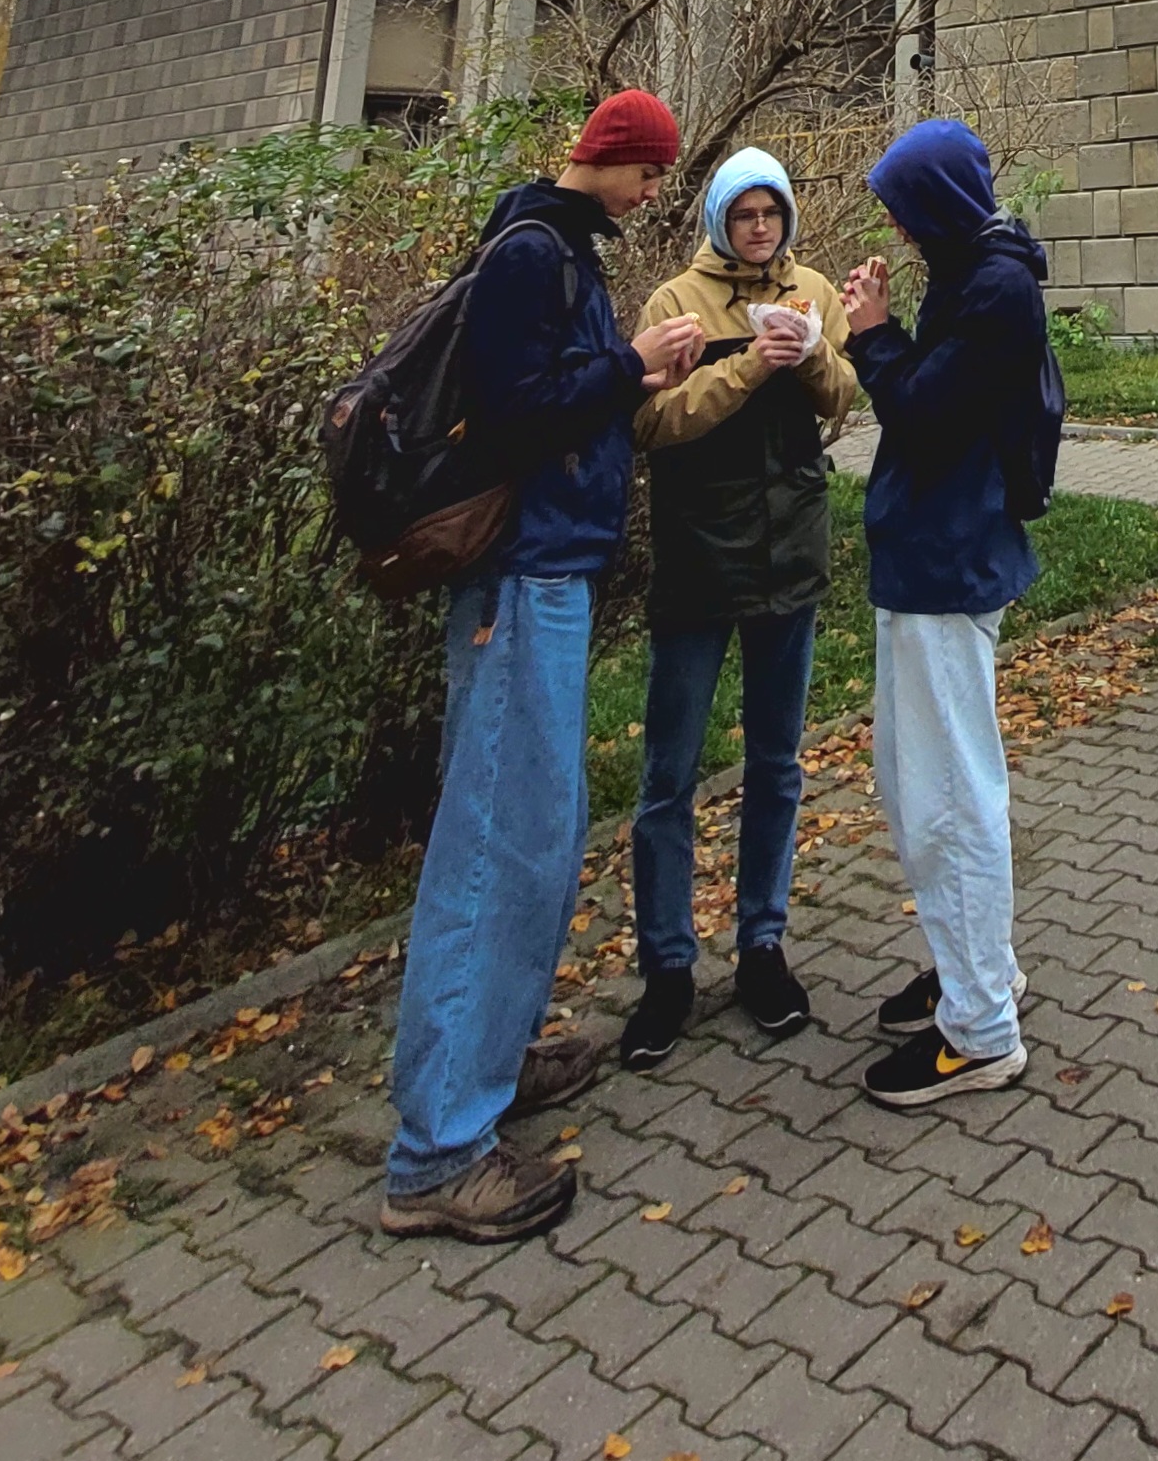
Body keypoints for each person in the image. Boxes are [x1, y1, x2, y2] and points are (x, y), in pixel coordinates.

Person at [382, 90, 699, 1244]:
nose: (653, 192)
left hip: (549, 572)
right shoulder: (531, 253)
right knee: (492, 846)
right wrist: (628, 366)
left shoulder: (557, 248)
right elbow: (516, 416)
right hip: (520, 579)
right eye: (648, 170)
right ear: (608, 155)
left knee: (538, 835)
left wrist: (623, 375)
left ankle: (495, 1058)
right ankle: (435, 1151)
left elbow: (548, 399)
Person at [620, 144, 857, 1070]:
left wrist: (810, 355)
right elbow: (650, 423)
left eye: (772, 214)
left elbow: (843, 397)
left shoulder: (813, 292)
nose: (760, 230)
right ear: (719, 219)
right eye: (744, 215)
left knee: (776, 763)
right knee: (669, 776)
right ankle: (667, 967)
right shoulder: (676, 304)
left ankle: (762, 942)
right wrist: (750, 365)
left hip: (788, 557)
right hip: (697, 562)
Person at [842, 119, 1063, 1107]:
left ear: (936, 202)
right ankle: (980, 970)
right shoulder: (970, 269)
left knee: (949, 796)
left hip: (948, 557)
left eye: (901, 202)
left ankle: (978, 1030)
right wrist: (886, 333)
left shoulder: (993, 287)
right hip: (933, 554)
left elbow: (925, 412)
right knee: (919, 785)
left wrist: (872, 335)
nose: (891, 221)